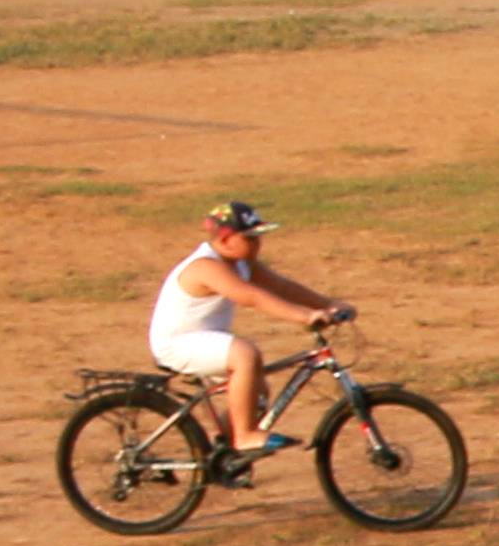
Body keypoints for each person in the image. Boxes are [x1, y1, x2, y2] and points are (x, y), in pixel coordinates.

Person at [146, 196, 348, 466]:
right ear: (227, 239)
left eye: (258, 237)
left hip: (203, 340)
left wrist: (329, 304)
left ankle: (222, 455)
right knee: (246, 355)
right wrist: (305, 316)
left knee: (258, 389)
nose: (258, 243)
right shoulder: (206, 267)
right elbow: (251, 297)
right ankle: (244, 436)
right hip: (177, 344)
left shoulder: (242, 263)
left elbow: (281, 286)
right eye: (250, 238)